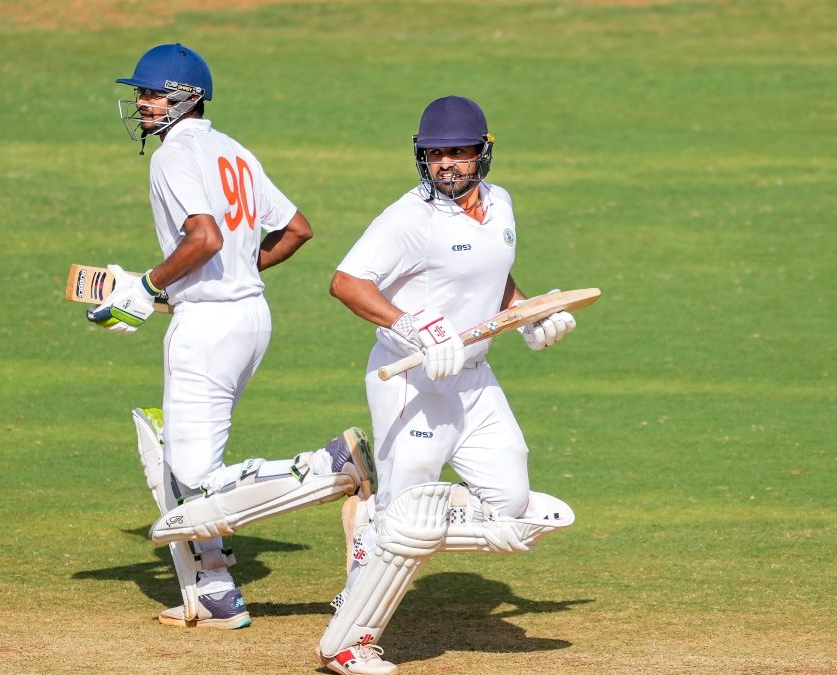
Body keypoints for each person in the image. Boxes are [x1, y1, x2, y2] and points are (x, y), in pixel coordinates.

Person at [87, 43, 375, 631]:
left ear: (184, 98)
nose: (142, 104)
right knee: (192, 460)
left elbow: (205, 238)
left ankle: (326, 466)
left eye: (153, 93)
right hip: (250, 320)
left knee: (195, 476)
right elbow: (297, 230)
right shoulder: (234, 151)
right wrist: (227, 278)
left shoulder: (171, 157)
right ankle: (216, 591)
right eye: (140, 93)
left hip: (209, 326)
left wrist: (145, 287)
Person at [314, 96, 580, 674]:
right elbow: (345, 282)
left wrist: (526, 312)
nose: (447, 165)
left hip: (477, 380)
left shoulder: (502, 204)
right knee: (407, 519)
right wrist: (411, 325)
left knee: (509, 506)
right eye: (435, 154)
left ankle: (375, 525)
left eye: (458, 153)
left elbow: (491, 273)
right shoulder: (410, 219)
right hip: (412, 382)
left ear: (484, 151)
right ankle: (349, 642)